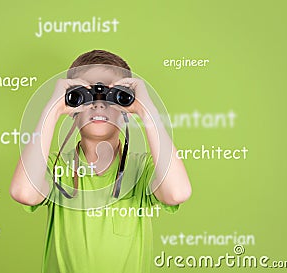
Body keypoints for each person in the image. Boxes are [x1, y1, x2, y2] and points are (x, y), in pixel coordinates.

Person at [10, 49, 192, 273]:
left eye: (111, 94)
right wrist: (52, 108)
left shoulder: (141, 170)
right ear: (71, 105)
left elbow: (177, 193)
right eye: (84, 94)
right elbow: (23, 192)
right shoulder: (57, 168)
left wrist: (148, 110)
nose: (98, 104)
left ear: (127, 105)